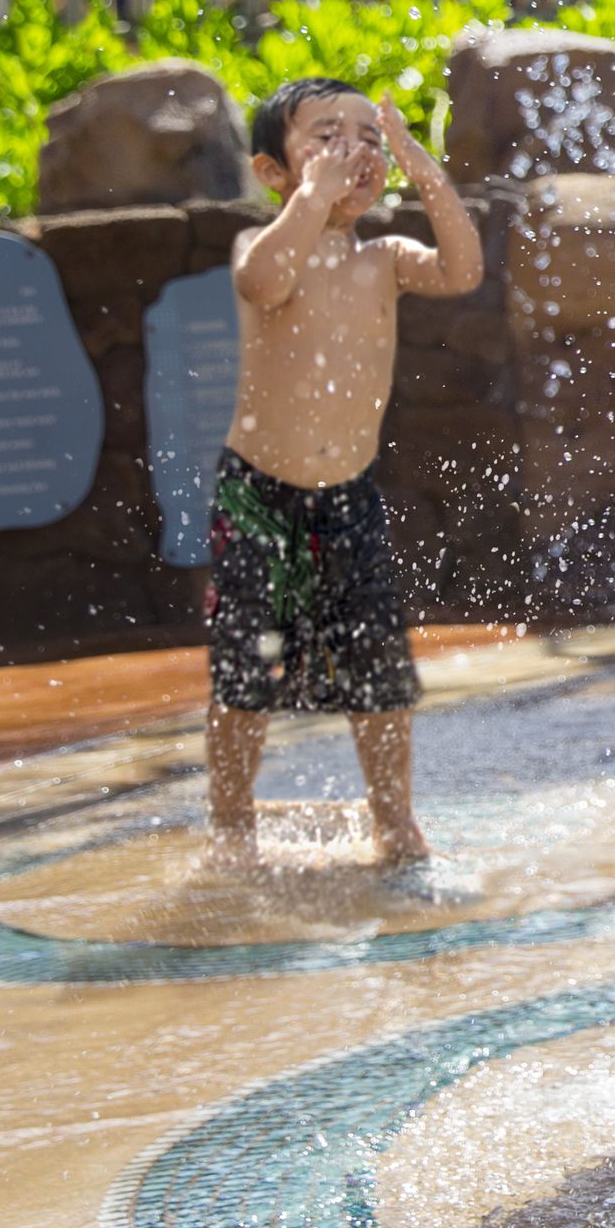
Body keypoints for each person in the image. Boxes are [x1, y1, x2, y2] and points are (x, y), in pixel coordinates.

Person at [204, 78, 484, 871]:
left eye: (368, 136)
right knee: (243, 671)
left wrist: (422, 168)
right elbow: (263, 283)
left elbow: (462, 269)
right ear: (273, 169)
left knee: (379, 670)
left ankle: (394, 821)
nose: (352, 152)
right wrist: (313, 200)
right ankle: (231, 823)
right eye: (326, 137)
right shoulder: (263, 249)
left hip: (349, 496)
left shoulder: (384, 257)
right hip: (258, 493)